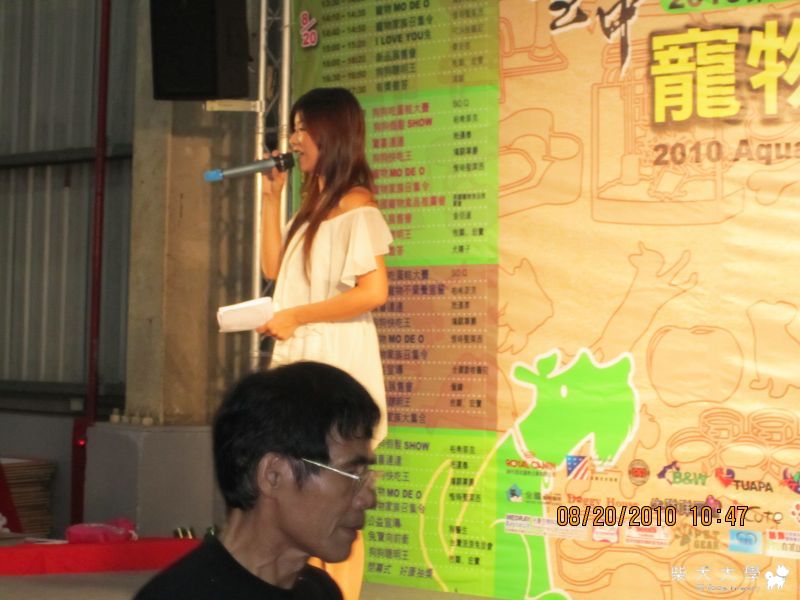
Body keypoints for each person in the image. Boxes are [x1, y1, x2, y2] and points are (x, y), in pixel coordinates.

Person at [135, 361, 380, 600]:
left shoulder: (320, 591)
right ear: (273, 475)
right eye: (352, 474)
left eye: (367, 476)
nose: (369, 499)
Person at [258, 87, 392, 447]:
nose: (293, 140)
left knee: (328, 453)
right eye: (294, 129)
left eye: (303, 128)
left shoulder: (355, 204)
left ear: (332, 135)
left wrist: (296, 316)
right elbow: (273, 269)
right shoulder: (311, 208)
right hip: (304, 346)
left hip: (334, 350)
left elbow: (374, 292)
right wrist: (271, 198)